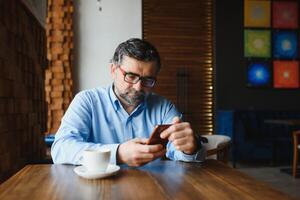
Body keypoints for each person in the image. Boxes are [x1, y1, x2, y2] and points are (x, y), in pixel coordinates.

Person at [51, 38, 206, 166]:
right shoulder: (87, 101)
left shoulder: (164, 108)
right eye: (131, 76)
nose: (138, 87)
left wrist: (189, 149)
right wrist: (117, 154)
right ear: (113, 70)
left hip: (152, 189)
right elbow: (61, 148)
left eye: (148, 80)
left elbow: (179, 151)